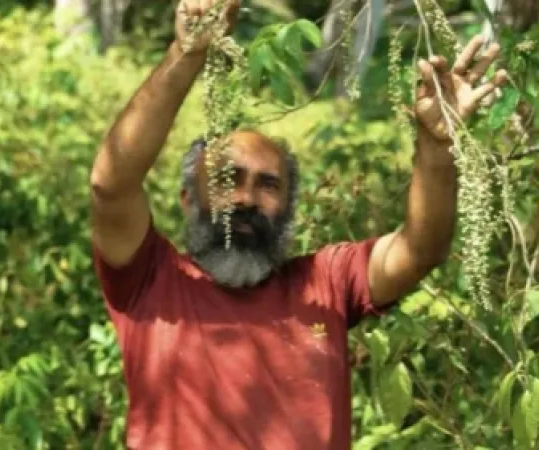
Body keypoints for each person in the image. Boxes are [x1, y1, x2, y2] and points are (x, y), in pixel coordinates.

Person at [89, 1, 508, 448]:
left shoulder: (325, 282)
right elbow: (111, 185)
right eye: (227, 179)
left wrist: (437, 146)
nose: (246, 199)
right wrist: (187, 52)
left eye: (268, 185)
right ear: (188, 197)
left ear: (290, 206)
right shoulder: (150, 282)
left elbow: (419, 250)